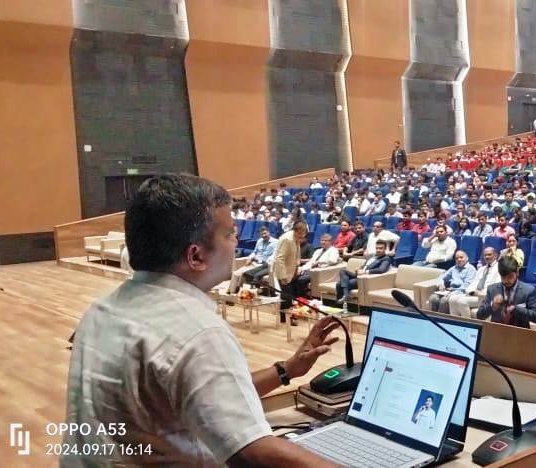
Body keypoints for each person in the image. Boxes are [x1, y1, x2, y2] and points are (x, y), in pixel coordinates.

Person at [65, 174, 341, 466]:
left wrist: (286, 371)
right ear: (195, 256)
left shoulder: (101, 311)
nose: (236, 243)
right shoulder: (196, 330)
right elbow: (251, 452)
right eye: (230, 234)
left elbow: (204, 398)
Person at [476, 257, 536, 328]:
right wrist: (492, 305)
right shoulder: (492, 289)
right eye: (503, 277)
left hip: (520, 334)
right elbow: (479, 316)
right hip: (497, 332)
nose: (506, 281)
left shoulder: (528, 290)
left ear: (517, 273)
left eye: (510, 277)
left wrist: (516, 309)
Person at [334, 240, 393, 306]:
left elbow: (381, 270)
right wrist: (359, 269)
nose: (378, 250)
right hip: (359, 275)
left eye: (381, 248)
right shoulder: (373, 257)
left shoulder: (386, 259)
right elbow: (365, 265)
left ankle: (340, 304)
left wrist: (365, 272)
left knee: (340, 284)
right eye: (377, 248)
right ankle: (345, 296)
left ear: (385, 249)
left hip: (365, 278)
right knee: (343, 271)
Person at [448, 247, 502, 317]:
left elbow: (495, 288)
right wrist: (470, 292)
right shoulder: (482, 269)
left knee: (462, 301)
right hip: (474, 295)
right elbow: (473, 283)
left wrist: (479, 293)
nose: (487, 257)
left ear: (495, 256)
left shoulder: (499, 269)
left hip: (486, 297)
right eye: (485, 255)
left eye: (489, 255)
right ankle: (455, 324)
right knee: (452, 299)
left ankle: (466, 326)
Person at [272, 221, 309, 323]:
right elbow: (280, 259)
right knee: (287, 296)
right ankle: (287, 318)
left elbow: (297, 254)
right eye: (303, 232)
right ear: (297, 231)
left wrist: (297, 267)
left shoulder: (296, 238)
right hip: (283, 272)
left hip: (291, 271)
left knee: (289, 295)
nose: (304, 234)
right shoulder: (286, 239)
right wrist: (283, 276)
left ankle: (285, 317)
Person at [226, 226, 276, 294]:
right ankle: (232, 291)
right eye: (262, 234)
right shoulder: (259, 241)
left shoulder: (275, 242)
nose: (264, 236)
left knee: (244, 274)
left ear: (268, 232)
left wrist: (267, 263)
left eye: (265, 233)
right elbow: (254, 252)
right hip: (254, 263)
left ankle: (237, 292)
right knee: (236, 273)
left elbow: (274, 255)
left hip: (264, 265)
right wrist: (250, 258)